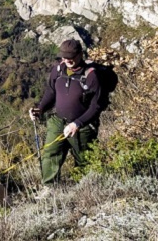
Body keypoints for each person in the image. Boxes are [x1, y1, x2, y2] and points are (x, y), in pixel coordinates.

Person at [29, 39, 103, 197]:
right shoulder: (58, 69)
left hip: (83, 126)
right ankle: (50, 189)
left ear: (80, 55)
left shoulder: (91, 76)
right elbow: (51, 91)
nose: (67, 60)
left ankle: (85, 192)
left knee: (84, 159)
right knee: (50, 153)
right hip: (58, 120)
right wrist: (40, 109)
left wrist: (77, 123)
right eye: (64, 56)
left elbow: (96, 106)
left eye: (71, 57)